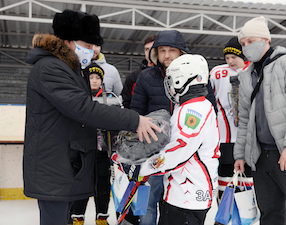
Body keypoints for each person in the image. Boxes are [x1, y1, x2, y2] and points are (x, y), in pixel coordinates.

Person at [23, 9, 161, 225]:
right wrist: (134, 120)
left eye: (94, 46)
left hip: (66, 164)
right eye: (87, 46)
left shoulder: (70, 69)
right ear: (68, 42)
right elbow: (83, 109)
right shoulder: (50, 68)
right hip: (54, 167)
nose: (93, 51)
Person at [137, 54, 220, 225]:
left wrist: (144, 166)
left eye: (172, 80)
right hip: (184, 191)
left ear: (181, 81)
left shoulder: (193, 110)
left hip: (186, 195)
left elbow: (179, 149)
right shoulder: (193, 105)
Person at [129, 29, 191, 225]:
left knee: (176, 204)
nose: (166, 55)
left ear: (181, 52)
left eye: (171, 50)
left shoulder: (194, 76)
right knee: (148, 202)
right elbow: (136, 113)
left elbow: (208, 109)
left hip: (185, 152)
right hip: (154, 152)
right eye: (162, 50)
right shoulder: (147, 77)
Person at [233, 16, 286, 225]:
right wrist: (240, 154)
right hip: (260, 156)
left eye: (251, 41)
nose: (247, 47)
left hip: (282, 153)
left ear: (266, 40)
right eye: (243, 44)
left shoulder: (283, 64)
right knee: (270, 212)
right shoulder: (247, 75)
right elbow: (245, 119)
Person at [209, 37, 252, 207]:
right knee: (225, 176)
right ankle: (224, 211)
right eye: (227, 58)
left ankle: (246, 213)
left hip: (248, 138)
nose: (230, 61)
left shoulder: (254, 69)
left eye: (234, 57)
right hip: (224, 137)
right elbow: (209, 99)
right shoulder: (218, 72)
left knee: (246, 177)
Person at [121, 34, 157, 108]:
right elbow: (126, 102)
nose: (149, 53)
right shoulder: (133, 77)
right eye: (147, 49)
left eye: (152, 49)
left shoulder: (167, 74)